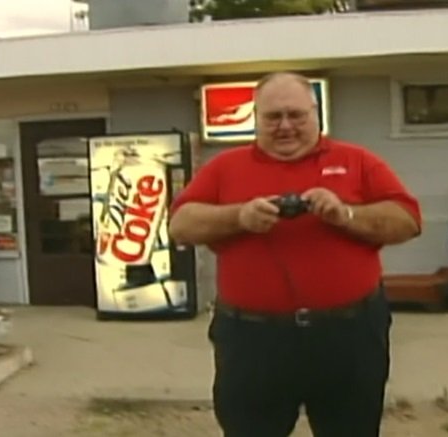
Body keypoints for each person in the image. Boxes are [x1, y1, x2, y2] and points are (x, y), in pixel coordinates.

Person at [168, 72, 422, 437]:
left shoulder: (358, 161)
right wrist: (239, 217)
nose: (285, 126)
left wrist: (345, 214)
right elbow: (181, 225)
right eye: (273, 117)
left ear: (315, 114)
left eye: (296, 115)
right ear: (256, 119)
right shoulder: (225, 167)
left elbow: (408, 221)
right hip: (252, 341)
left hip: (348, 337)